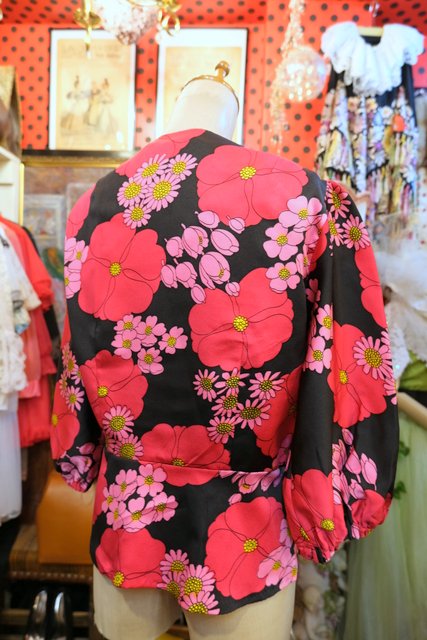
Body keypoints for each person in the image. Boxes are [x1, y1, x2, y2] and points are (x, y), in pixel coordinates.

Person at [51, 62, 399, 640]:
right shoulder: (306, 199)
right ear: (234, 114)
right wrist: (330, 491)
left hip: (129, 513)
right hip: (247, 532)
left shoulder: (94, 203)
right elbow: (344, 359)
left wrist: (80, 453)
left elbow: (77, 354)